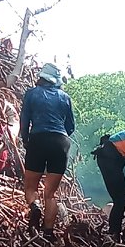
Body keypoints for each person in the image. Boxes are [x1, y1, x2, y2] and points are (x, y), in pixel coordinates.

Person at [19, 64, 75, 228]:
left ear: (41, 77)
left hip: (38, 139)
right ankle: (48, 232)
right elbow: (70, 126)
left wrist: (26, 140)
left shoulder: (31, 94)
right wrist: (59, 141)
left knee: (30, 187)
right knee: (50, 194)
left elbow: (24, 120)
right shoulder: (65, 97)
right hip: (61, 142)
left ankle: (35, 206)